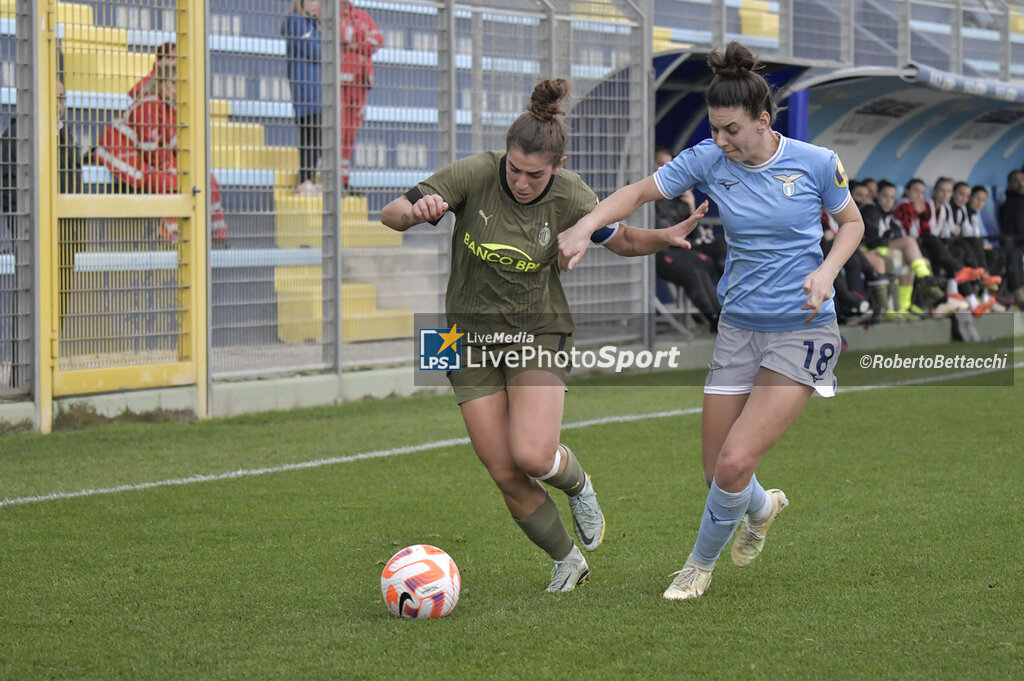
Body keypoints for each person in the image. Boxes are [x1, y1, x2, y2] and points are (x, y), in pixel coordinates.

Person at [558, 41, 865, 600]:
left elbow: (852, 225)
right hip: (738, 329)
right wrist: (585, 227)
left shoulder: (816, 162)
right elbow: (637, 192)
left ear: (763, 121)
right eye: (714, 129)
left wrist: (826, 272)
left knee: (735, 462)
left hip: (803, 327)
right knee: (717, 474)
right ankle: (762, 508)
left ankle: (696, 568)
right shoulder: (707, 159)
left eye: (730, 130)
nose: (720, 140)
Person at [381, 79, 706, 592]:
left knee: (532, 455)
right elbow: (391, 213)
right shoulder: (476, 171)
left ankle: (577, 482)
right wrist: (417, 212)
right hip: (458, 337)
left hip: (539, 330)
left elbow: (618, 238)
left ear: (556, 167)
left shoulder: (571, 193)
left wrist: (662, 237)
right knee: (503, 470)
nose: (522, 181)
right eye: (514, 168)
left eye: (535, 174)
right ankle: (567, 560)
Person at [95, 64, 226, 243]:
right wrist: (169, 166)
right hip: (116, 149)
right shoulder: (149, 103)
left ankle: (215, 234)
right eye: (173, 83)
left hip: (142, 156)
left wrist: (174, 165)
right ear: (162, 83)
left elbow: (175, 147)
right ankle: (170, 235)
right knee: (160, 178)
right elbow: (151, 151)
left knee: (203, 176)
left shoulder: (169, 107)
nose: (177, 89)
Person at [653, 147, 721, 332]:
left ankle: (723, 315)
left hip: (679, 250)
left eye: (668, 165)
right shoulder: (648, 195)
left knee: (711, 261)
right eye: (660, 164)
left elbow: (695, 237)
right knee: (693, 271)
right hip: (656, 253)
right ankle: (715, 318)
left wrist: (690, 205)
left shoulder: (677, 197)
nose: (663, 169)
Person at [339, 0, 381, 189]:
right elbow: (339, 35)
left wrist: (353, 42)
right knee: (338, 131)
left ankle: (344, 180)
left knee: (350, 134)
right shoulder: (330, 13)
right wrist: (360, 39)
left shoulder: (362, 16)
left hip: (361, 81)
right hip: (340, 81)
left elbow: (377, 40)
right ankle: (334, 178)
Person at [282, 0, 323, 195]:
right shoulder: (296, 21)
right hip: (306, 91)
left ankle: (310, 178)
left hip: (319, 92)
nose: (316, 4)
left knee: (318, 137)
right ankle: (304, 179)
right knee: (309, 135)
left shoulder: (314, 24)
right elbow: (317, 51)